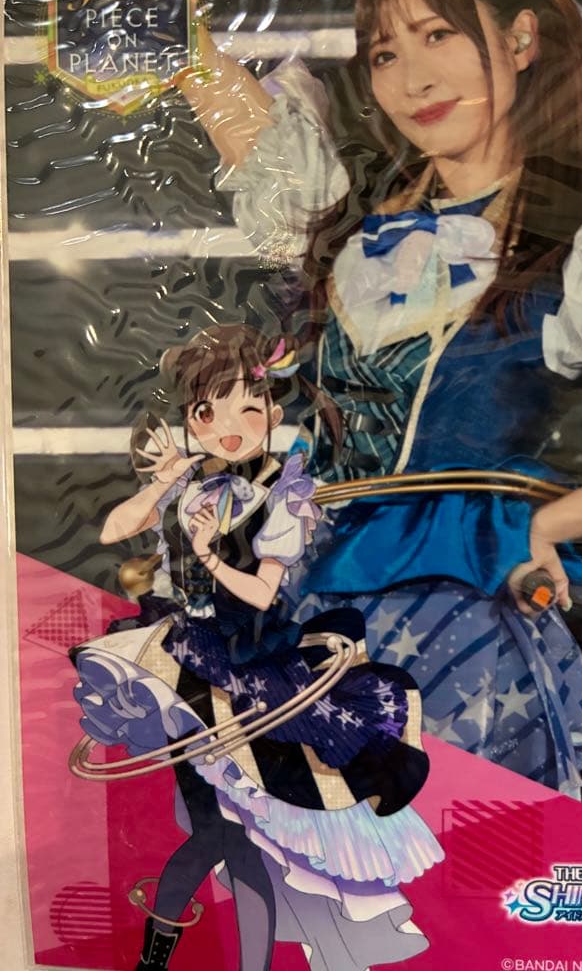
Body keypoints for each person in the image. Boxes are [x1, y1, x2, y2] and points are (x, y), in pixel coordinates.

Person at [12, 0, 582, 802]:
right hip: (306, 617)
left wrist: (544, 528)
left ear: (521, 39)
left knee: (460, 860)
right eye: (385, 53)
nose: (413, 77)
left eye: (439, 35)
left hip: (465, 633)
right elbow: (191, 59)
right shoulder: (341, 224)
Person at [71, 324, 442, 971]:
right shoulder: (191, 481)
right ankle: (165, 960)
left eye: (247, 407)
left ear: (272, 412)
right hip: (179, 657)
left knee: (238, 838)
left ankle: (195, 961)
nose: (227, 427)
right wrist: (163, 483)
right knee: (219, 833)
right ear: (191, 417)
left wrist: (210, 553)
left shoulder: (284, 493)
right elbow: (113, 530)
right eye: (206, 412)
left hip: (248, 664)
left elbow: (265, 593)